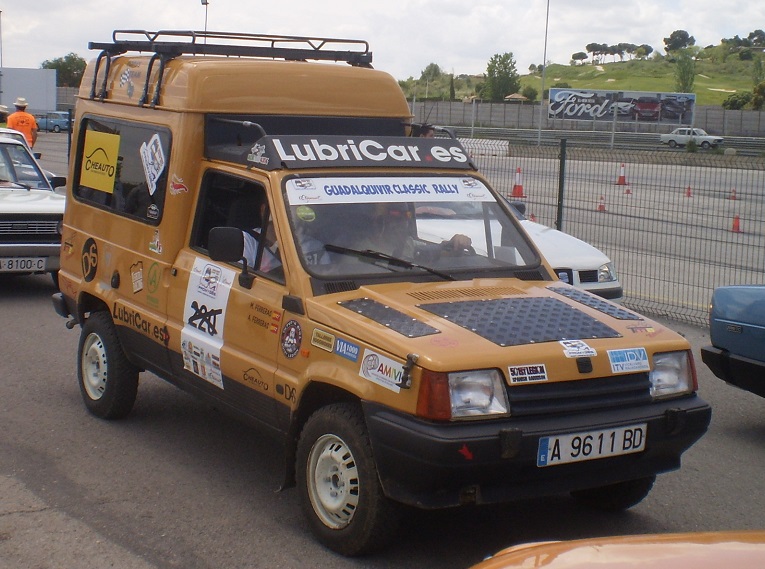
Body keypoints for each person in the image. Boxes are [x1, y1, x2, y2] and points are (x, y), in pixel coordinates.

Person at [360, 202, 471, 260]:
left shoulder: (408, 244)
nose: (402, 223)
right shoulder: (358, 254)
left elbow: (438, 252)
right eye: (395, 218)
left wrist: (454, 245)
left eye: (406, 216)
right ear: (378, 222)